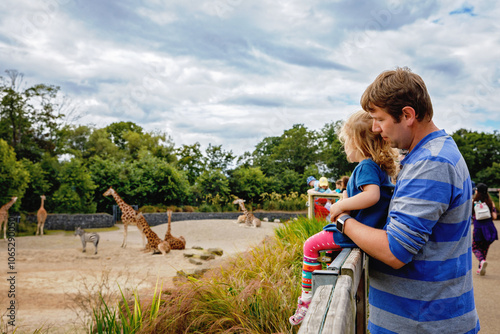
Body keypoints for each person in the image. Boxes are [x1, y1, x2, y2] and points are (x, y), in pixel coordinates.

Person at [332, 67, 479, 333]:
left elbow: (394, 250)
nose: (375, 129)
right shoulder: (426, 154)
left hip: (423, 324)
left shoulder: (431, 162)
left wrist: (342, 220)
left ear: (408, 115)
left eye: (380, 119)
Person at [289, 110, 398, 325]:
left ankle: (306, 300)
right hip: (365, 230)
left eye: (346, 141)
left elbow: (372, 196)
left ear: (357, 142)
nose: (344, 147)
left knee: (310, 245)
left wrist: (340, 205)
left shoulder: (365, 166)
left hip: (355, 232)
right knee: (324, 250)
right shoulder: (376, 168)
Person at [472, 183, 498, 275]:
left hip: (478, 229)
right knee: (484, 248)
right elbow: (494, 216)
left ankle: (481, 261)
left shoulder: (474, 202)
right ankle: (480, 268)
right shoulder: (490, 202)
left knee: (475, 247)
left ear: (477, 191)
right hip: (489, 229)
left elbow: (470, 216)